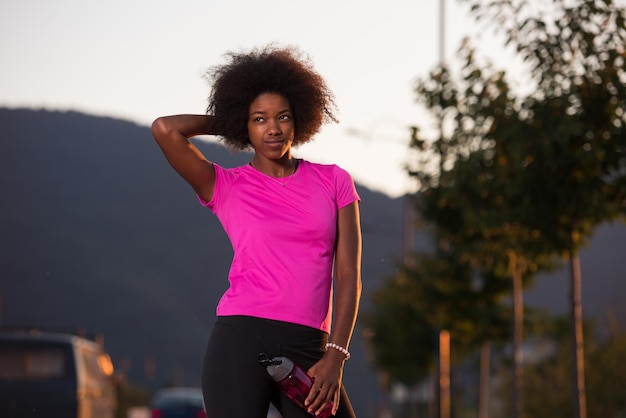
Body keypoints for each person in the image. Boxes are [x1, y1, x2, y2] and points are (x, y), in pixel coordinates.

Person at [151, 44, 362, 417]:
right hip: (240, 339)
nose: (273, 128)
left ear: (299, 118)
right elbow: (165, 129)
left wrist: (336, 356)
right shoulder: (226, 185)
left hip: (311, 345)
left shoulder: (334, 181)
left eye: (282, 116)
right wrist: (235, 120)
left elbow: (348, 275)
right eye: (260, 119)